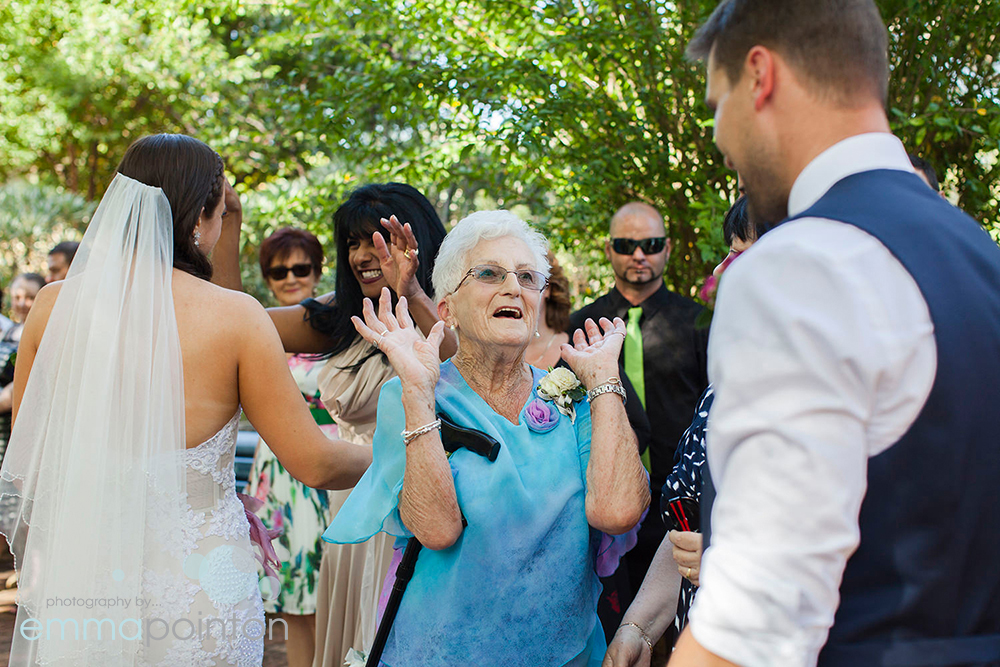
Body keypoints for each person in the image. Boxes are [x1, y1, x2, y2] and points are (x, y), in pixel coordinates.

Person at [672, 2, 1000, 667]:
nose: (718, 136)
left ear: (760, 76)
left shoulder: (802, 265)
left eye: (716, 103)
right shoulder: (979, 255)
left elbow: (755, 627)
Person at [0, 134, 371, 666]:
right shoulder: (237, 317)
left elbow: (28, 458)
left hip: (83, 583)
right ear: (200, 217)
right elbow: (316, 461)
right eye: (219, 214)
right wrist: (410, 448)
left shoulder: (53, 306)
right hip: (200, 585)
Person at [325, 210, 650, 666]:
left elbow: (617, 513)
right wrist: (419, 396)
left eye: (526, 277)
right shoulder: (411, 392)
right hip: (443, 653)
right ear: (447, 309)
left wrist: (605, 383)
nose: (513, 287)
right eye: (489, 274)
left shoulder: (577, 396)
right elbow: (436, 530)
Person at [229, 183, 451, 667]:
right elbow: (233, 320)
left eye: (378, 239)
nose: (362, 254)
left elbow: (463, 369)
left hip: (420, 511)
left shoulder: (446, 309)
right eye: (352, 242)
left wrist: (410, 291)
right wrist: (229, 221)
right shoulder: (339, 316)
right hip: (351, 513)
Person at [603, 196, 758, 667]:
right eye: (728, 251)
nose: (723, 267)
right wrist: (639, 628)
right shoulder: (733, 381)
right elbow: (688, 537)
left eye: (743, 253)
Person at [570, 202, 709, 637]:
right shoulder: (580, 325)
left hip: (681, 507)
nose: (639, 255)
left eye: (649, 244)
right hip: (605, 508)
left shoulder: (700, 323)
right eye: (627, 245)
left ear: (667, 248)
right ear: (609, 250)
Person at [245, 227, 338, 667]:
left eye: (301, 268)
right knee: (294, 596)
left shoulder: (336, 328)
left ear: (319, 272)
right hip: (276, 470)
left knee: (335, 588)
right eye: (278, 271)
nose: (290, 278)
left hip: (332, 460)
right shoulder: (256, 330)